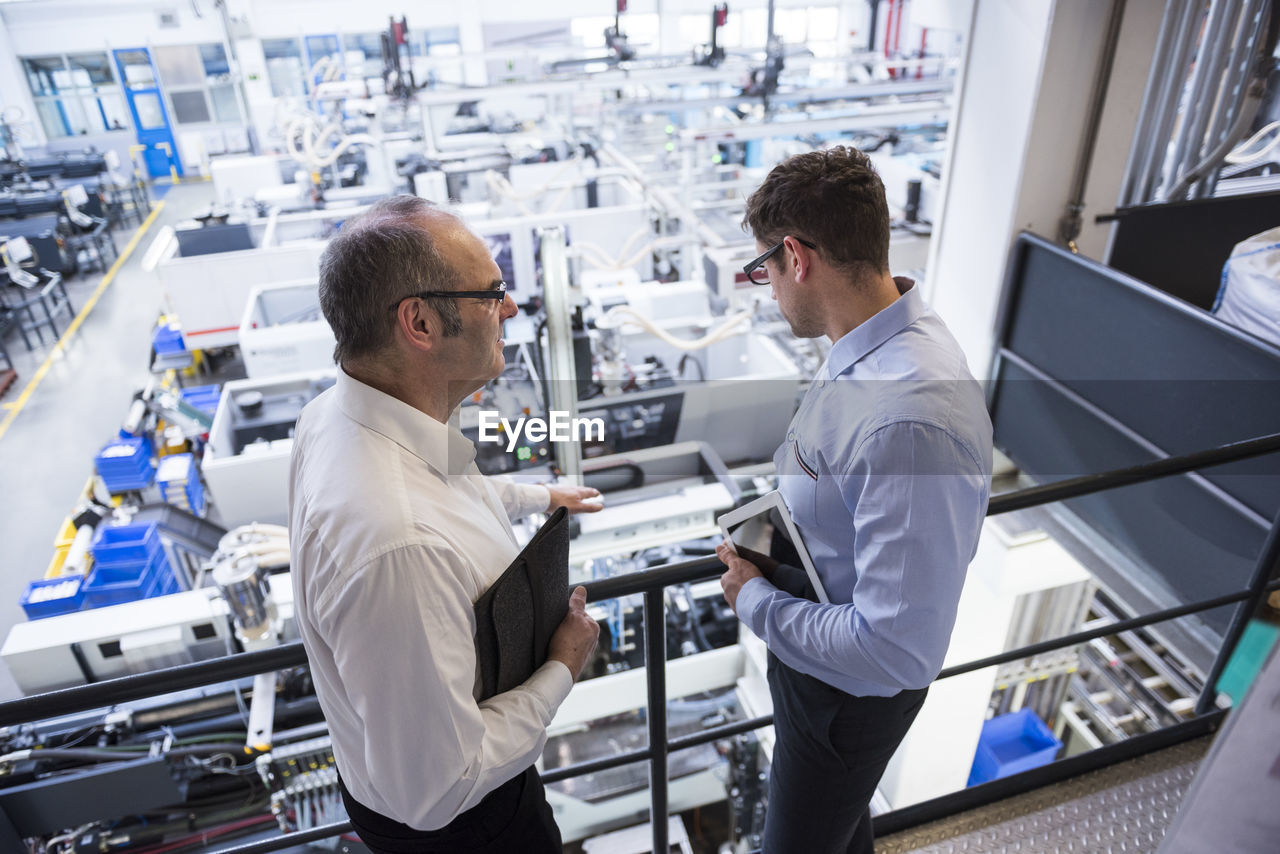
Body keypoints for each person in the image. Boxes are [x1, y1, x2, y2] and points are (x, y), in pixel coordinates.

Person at [288, 195, 602, 854]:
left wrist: (536, 497)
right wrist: (562, 668)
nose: (510, 309)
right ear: (421, 322)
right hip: (469, 827)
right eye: (492, 294)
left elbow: (446, 480)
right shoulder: (398, 545)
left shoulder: (344, 413)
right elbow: (437, 790)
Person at [716, 147, 993, 854]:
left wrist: (754, 603)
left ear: (798, 258)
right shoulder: (875, 349)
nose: (768, 289)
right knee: (840, 832)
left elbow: (896, 650)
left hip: (841, 698)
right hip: (817, 657)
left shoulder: (908, 418)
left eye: (764, 270)